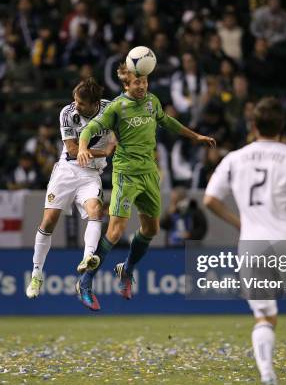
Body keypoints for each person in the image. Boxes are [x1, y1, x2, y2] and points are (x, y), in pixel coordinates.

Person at [203, 97, 286, 385]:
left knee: (264, 318)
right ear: (282, 127)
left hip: (252, 243)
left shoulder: (235, 158)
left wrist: (239, 222)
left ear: (253, 126)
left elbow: (209, 200)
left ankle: (269, 379)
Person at [75, 62, 216, 311]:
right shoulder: (117, 107)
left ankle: (126, 271)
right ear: (126, 85)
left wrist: (195, 136)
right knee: (116, 230)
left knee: (151, 229)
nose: (142, 86)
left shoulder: (152, 101)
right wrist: (84, 147)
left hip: (149, 172)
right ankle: (85, 283)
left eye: (144, 81)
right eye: (137, 82)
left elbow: (167, 121)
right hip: (126, 173)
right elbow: (92, 128)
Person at [25, 78, 116, 299]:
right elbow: (73, 149)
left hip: (91, 174)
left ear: (94, 104)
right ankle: (36, 274)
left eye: (81, 103)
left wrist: (114, 141)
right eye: (75, 100)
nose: (76, 105)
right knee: (48, 222)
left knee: (96, 211)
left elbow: (117, 133)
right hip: (67, 171)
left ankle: (88, 258)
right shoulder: (67, 112)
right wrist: (104, 152)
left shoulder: (109, 109)